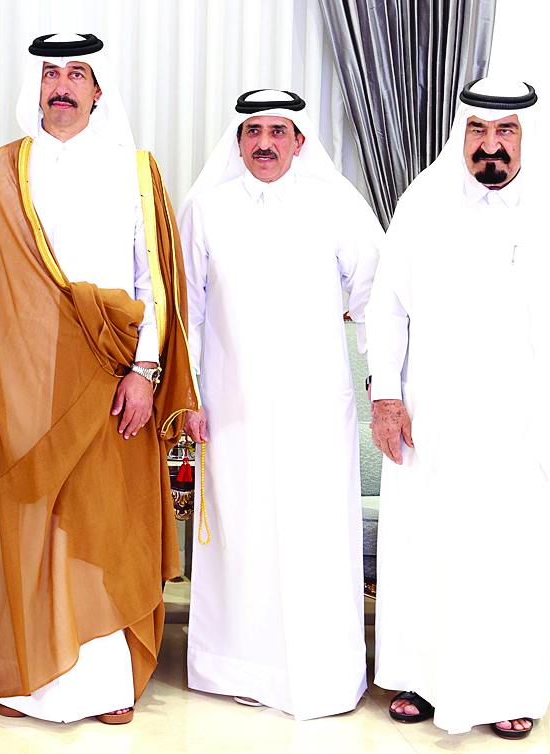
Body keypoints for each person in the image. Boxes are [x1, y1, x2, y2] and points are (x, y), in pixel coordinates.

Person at [0, 32, 199, 725]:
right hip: (20, 385)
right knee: (32, 525)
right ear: (36, 87)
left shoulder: (135, 171)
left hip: (112, 380)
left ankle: (105, 684)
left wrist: (145, 372)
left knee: (104, 524)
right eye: (50, 74)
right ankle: (27, 679)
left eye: (76, 74)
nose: (61, 86)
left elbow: (154, 284)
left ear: (97, 89)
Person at [367, 77, 550, 739]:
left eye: (505, 131)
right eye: (477, 129)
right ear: (461, 135)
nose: (490, 144)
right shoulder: (422, 202)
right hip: (433, 419)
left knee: (513, 554)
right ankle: (423, 679)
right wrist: (385, 396)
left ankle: (509, 690)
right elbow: (387, 308)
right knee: (428, 545)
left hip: (521, 425)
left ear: (526, 137)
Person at [178, 89, 379, 718]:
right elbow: (186, 309)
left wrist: (384, 382)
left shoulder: (335, 204)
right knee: (241, 535)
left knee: (315, 534)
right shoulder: (206, 209)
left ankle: (321, 672)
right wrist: (188, 394)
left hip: (315, 408)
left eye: (277, 131)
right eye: (253, 131)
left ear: (299, 140)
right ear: (238, 142)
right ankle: (236, 666)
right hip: (230, 406)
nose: (264, 143)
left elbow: (375, 295)